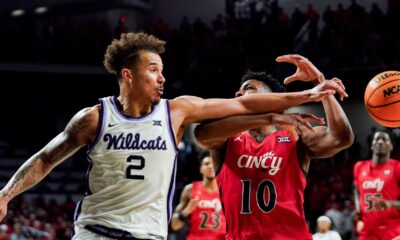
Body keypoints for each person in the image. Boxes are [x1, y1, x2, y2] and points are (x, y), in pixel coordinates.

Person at [0, 32, 344, 240]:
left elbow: (241, 105)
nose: (162, 78)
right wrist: (6, 194)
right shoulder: (95, 117)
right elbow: (46, 158)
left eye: (163, 71)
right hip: (96, 230)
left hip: (149, 233)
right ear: (128, 75)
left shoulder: (176, 110)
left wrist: (308, 95)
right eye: (153, 70)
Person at [195, 55, 354, 240]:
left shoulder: (294, 137)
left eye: (249, 88)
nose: (238, 95)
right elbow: (201, 135)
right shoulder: (226, 138)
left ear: (274, 101)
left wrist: (321, 83)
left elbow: (341, 138)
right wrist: (269, 118)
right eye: (238, 92)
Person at [353, 130, 400, 240]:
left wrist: (390, 204)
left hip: (392, 231)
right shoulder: (359, 167)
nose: (380, 142)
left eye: (384, 139)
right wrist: (358, 211)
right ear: (372, 144)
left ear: (391, 146)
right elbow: (356, 190)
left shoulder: (397, 167)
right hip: (367, 232)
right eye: (377, 139)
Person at [171, 152, 226, 239]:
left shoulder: (226, 190)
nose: (210, 166)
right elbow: (174, 225)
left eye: (213, 163)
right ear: (200, 168)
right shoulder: (190, 189)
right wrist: (186, 212)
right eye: (206, 163)